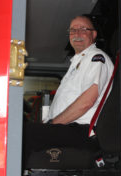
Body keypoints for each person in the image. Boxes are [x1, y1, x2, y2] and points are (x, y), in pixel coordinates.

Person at [23, 15, 114, 161]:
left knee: (23, 134)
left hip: (81, 131)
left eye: (83, 29)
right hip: (67, 128)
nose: (77, 34)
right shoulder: (77, 63)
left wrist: (52, 124)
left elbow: (87, 102)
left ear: (94, 34)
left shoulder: (96, 58)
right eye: (73, 30)